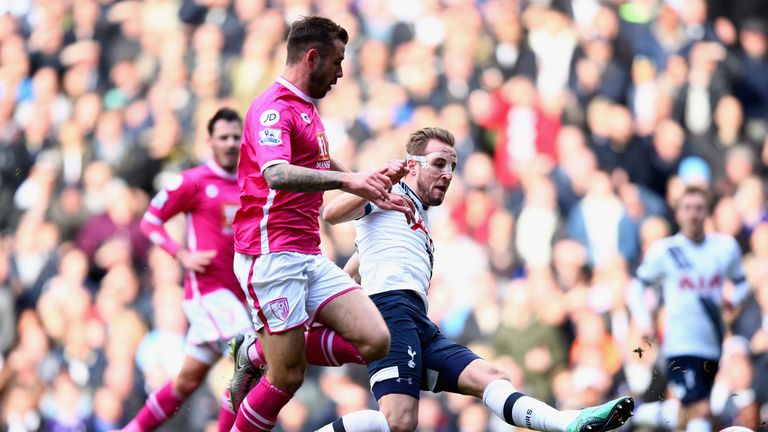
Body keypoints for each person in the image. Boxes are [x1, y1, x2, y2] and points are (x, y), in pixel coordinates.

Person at [315, 127, 634, 432]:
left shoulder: (418, 215)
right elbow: (332, 215)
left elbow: (359, 262)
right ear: (411, 166)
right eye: (439, 163)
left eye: (452, 166)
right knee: (399, 421)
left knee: (492, 375)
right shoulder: (389, 191)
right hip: (391, 313)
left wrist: (332, 305)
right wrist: (384, 177)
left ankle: (568, 422)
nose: (448, 173)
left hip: (417, 320)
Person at [228, 15, 415, 432]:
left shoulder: (306, 109)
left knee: (375, 340)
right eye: (337, 61)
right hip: (270, 255)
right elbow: (276, 172)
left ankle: (257, 351)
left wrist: (370, 188)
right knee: (288, 377)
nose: (341, 72)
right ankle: (260, 361)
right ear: (312, 58)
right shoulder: (273, 109)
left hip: (308, 254)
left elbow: (319, 161)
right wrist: (349, 180)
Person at [122, 108, 254, 432]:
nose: (230, 143)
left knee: (187, 381)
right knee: (246, 356)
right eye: (223, 137)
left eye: (236, 137)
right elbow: (150, 221)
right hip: (207, 293)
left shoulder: (249, 182)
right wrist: (181, 254)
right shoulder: (193, 181)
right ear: (209, 140)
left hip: (236, 297)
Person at [629, 185, 751, 432]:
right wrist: (644, 320)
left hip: (712, 342)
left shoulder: (724, 247)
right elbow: (637, 287)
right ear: (678, 213)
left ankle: (639, 413)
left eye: (698, 208)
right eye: (687, 208)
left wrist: (733, 301)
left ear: (707, 212)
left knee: (694, 411)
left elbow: (742, 283)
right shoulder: (666, 250)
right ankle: (639, 413)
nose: (693, 214)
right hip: (680, 343)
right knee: (700, 407)